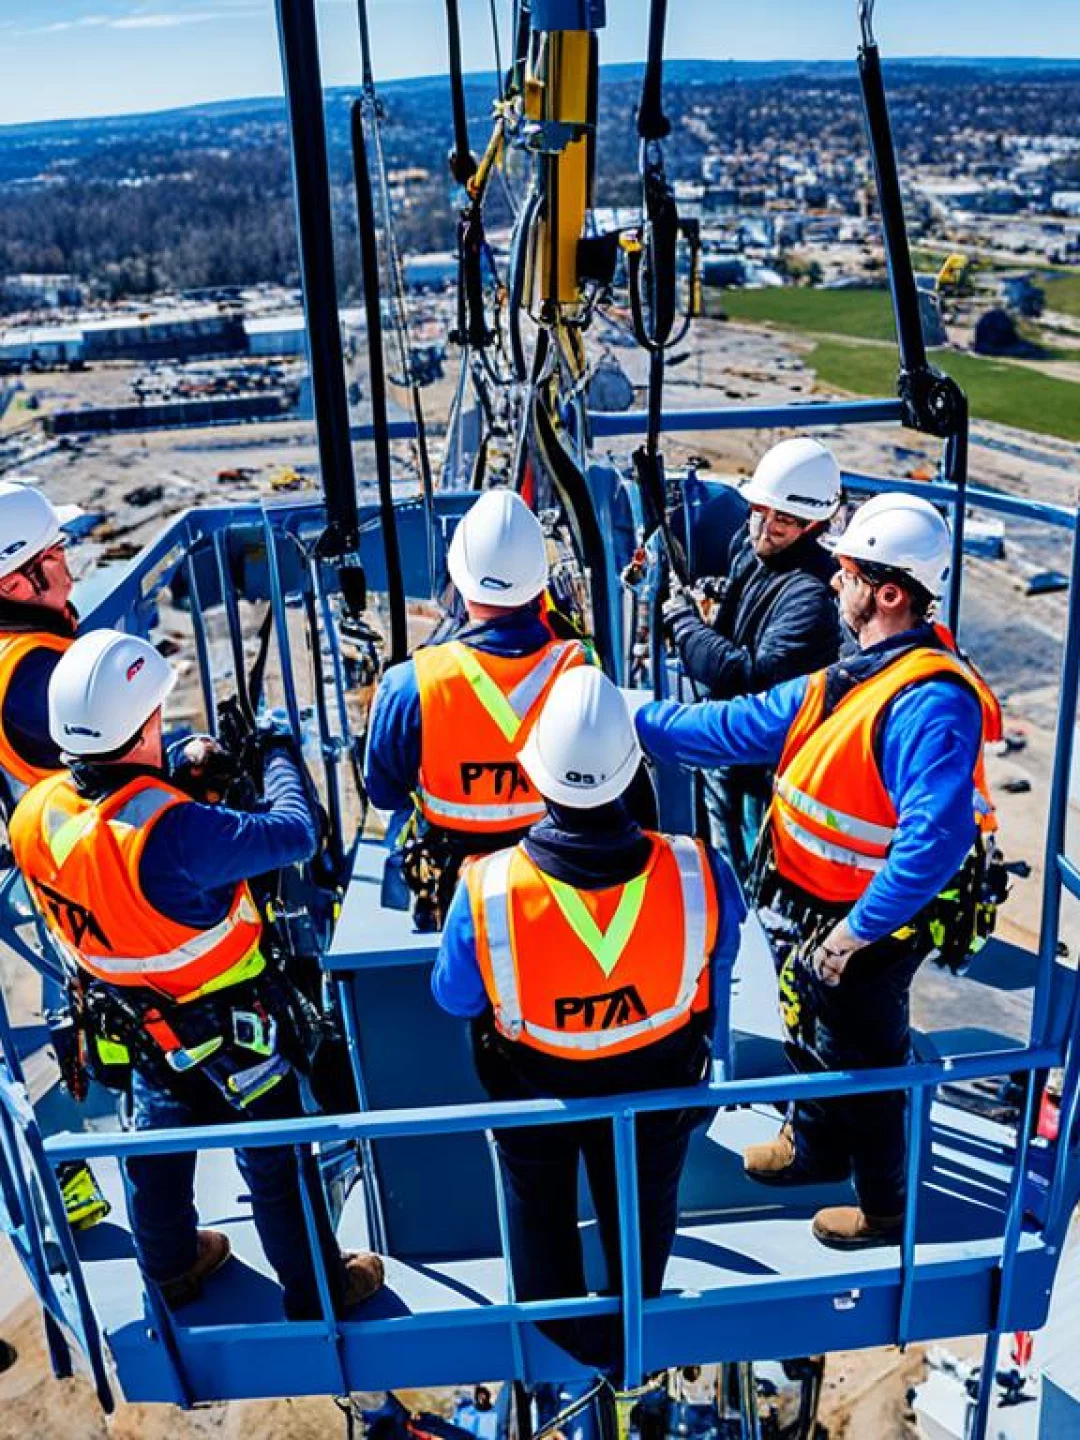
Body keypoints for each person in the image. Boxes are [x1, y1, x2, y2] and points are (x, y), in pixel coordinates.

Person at [635, 494, 1001, 1250]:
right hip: (821, 908)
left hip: (872, 925)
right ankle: (814, 1149)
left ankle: (884, 1213)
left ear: (889, 592)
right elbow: (737, 725)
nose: (833, 583)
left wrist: (854, 935)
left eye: (846, 572)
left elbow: (934, 841)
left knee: (866, 1065)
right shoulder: (857, 675)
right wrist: (626, 714)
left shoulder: (930, 703)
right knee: (810, 1023)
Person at [9, 629, 384, 1316]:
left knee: (154, 1145)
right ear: (146, 720)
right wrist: (274, 751)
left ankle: (173, 1269)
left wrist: (177, 768)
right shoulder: (176, 835)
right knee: (274, 1155)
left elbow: (107, 817)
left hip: (134, 1024)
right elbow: (296, 830)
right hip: (226, 1025)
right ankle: (317, 1289)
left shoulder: (37, 812)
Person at [432, 667, 745, 1365]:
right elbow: (720, 953)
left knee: (539, 1206)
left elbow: (454, 998)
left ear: (536, 775)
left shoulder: (486, 888)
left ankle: (561, 1330)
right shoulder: (699, 870)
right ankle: (634, 1316)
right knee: (644, 1205)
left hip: (535, 1086)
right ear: (634, 769)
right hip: (660, 1082)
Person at [365, 488, 591, 925]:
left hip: (457, 891)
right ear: (538, 584)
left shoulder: (409, 683)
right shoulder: (580, 669)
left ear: (458, 576)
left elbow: (384, 792)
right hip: (559, 882)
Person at [0, 479, 110, 1232]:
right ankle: (71, 1175)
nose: (68, 565)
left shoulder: (26, 648)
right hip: (77, 868)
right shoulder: (31, 673)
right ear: (17, 579)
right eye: (54, 553)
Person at [661, 439, 842, 875]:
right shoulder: (752, 546)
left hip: (759, 761)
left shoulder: (811, 595)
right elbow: (747, 591)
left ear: (813, 523)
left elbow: (745, 675)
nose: (764, 527)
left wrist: (683, 622)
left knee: (743, 859)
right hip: (727, 737)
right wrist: (715, 593)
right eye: (760, 510)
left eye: (783, 519)